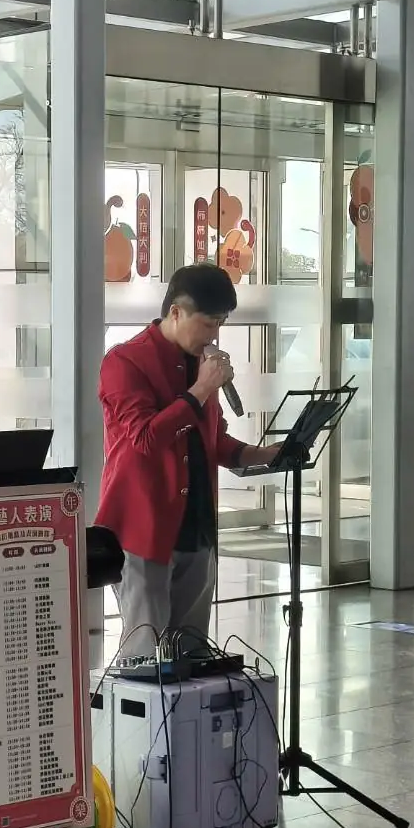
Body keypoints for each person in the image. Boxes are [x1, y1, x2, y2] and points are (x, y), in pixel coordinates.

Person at [96, 264, 279, 653]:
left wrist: (262, 455)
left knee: (192, 654)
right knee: (146, 655)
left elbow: (213, 440)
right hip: (144, 528)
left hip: (198, 526)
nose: (215, 335)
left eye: (221, 324)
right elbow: (144, 440)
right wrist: (200, 390)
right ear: (176, 312)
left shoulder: (200, 368)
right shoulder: (125, 363)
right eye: (209, 323)